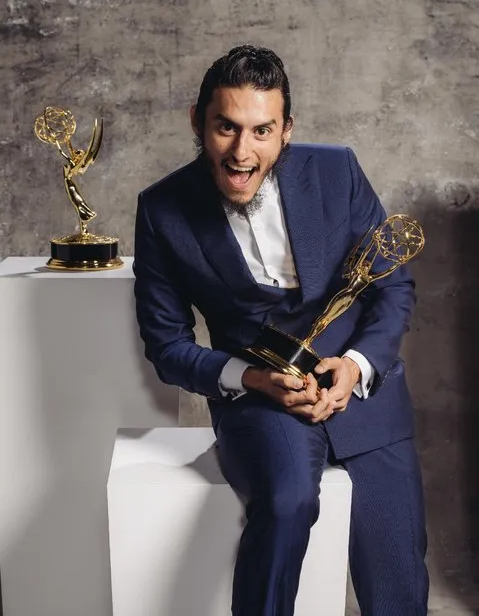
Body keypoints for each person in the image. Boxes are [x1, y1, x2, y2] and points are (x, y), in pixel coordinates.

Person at [133, 45, 429, 616]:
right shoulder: (161, 209)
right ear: (198, 121)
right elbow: (167, 346)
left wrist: (357, 366)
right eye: (226, 127)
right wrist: (250, 378)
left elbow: (392, 286)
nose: (242, 152)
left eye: (262, 131)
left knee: (397, 571)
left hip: (362, 389)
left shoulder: (337, 170)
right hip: (260, 401)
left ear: (286, 130)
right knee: (287, 504)